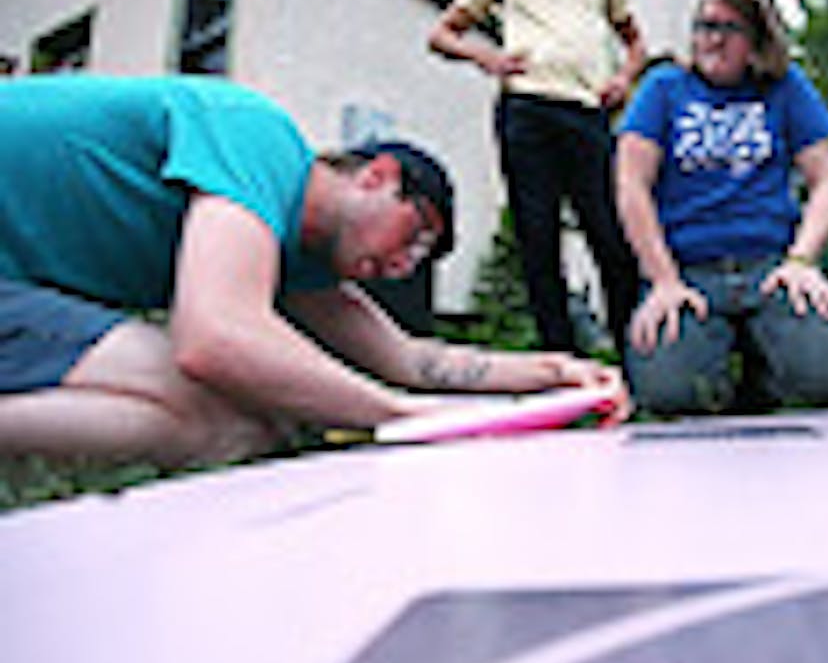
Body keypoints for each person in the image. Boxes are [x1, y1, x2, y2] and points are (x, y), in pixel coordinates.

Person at [0, 75, 628, 466]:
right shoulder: (258, 139)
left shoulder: (296, 263)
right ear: (377, 175)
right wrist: (401, 416)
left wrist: (555, 372)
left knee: (239, 427)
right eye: (416, 236)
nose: (403, 265)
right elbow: (214, 338)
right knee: (217, 411)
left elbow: (411, 359)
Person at [615, 0, 828, 415]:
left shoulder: (785, 88)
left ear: (756, 40)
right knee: (670, 395)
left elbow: (826, 180)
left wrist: (802, 261)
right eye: (703, 26)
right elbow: (631, 184)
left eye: (727, 28)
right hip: (689, 272)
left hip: (770, 268)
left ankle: (762, 371)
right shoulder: (663, 88)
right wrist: (662, 280)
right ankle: (725, 378)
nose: (712, 38)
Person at [429, 0, 643, 358]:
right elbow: (441, 34)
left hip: (586, 113)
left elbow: (635, 41)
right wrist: (486, 57)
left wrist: (624, 79)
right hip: (526, 111)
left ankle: (639, 364)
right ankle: (562, 366)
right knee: (538, 239)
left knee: (609, 236)